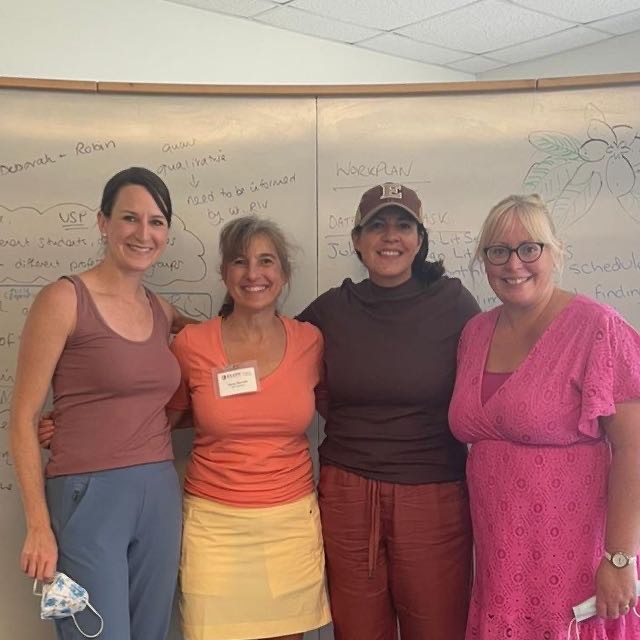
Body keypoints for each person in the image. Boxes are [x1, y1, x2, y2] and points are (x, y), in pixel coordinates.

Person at [448, 194, 640, 640]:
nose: (514, 264)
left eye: (529, 248)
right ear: (484, 260)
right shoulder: (475, 332)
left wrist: (619, 558)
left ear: (555, 252)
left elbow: (633, 447)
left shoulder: (597, 326)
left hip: (574, 553)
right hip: (501, 555)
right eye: (498, 251)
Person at [10, 167, 187, 640]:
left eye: (156, 221)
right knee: (96, 633)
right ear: (103, 222)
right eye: (130, 218)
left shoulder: (161, 309)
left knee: (152, 632)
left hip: (159, 494)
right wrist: (38, 526)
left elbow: (218, 341)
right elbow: (23, 417)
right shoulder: (64, 299)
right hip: (86, 498)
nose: (143, 233)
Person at [297, 182, 480, 640]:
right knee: (358, 631)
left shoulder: (455, 304)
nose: (390, 236)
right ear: (357, 240)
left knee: (437, 629)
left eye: (403, 225)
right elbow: (266, 343)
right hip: (347, 494)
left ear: (421, 240)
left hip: (433, 494)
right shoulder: (332, 309)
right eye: (376, 225)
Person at [166, 216, 331, 640]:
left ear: (284, 273)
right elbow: (165, 417)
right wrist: (79, 426)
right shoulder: (191, 344)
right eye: (240, 262)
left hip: (289, 524)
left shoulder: (310, 341)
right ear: (225, 274)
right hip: (213, 526)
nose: (253, 274)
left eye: (266, 261)